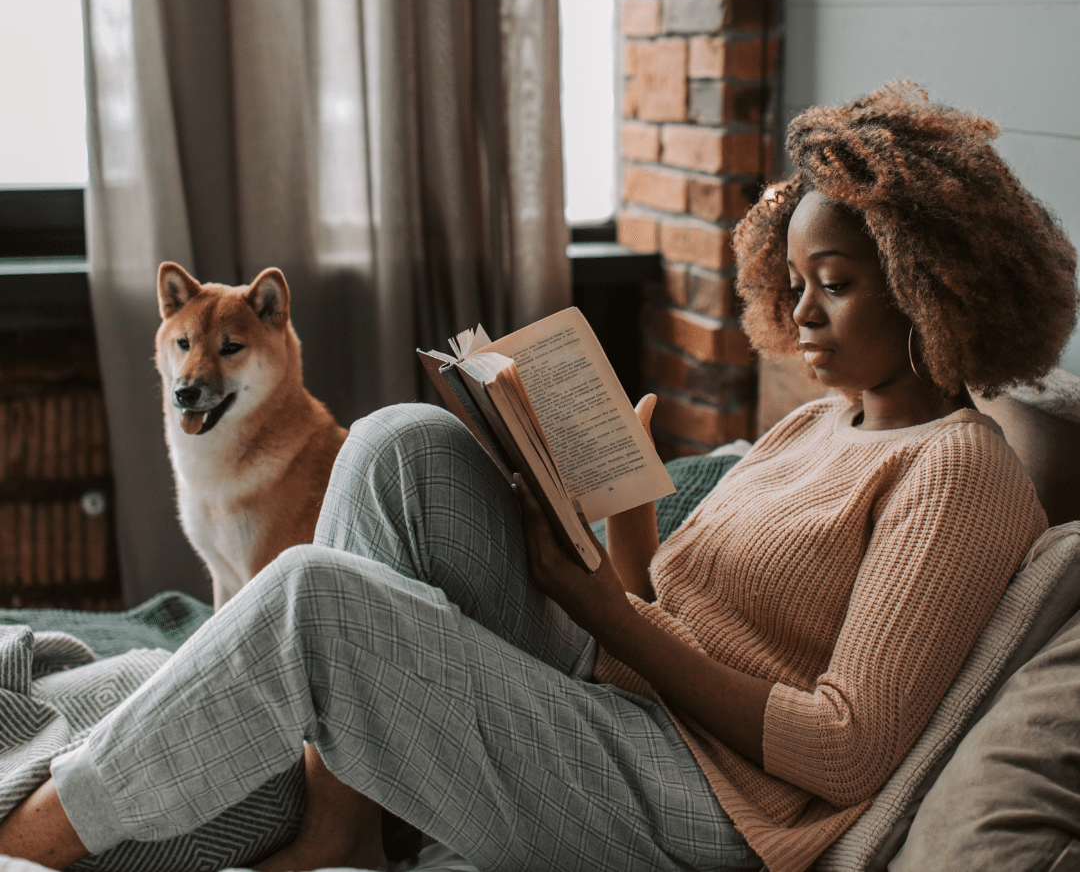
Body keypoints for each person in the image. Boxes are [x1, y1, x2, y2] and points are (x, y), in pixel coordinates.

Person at [0, 81, 1075, 872]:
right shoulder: (817, 428)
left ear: (934, 286)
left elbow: (841, 749)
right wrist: (628, 525)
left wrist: (596, 602)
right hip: (630, 700)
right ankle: (343, 820)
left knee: (311, 603)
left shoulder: (957, 476)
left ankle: (39, 840)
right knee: (398, 444)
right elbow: (668, 612)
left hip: (708, 805)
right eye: (791, 281)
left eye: (832, 285)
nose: (797, 314)